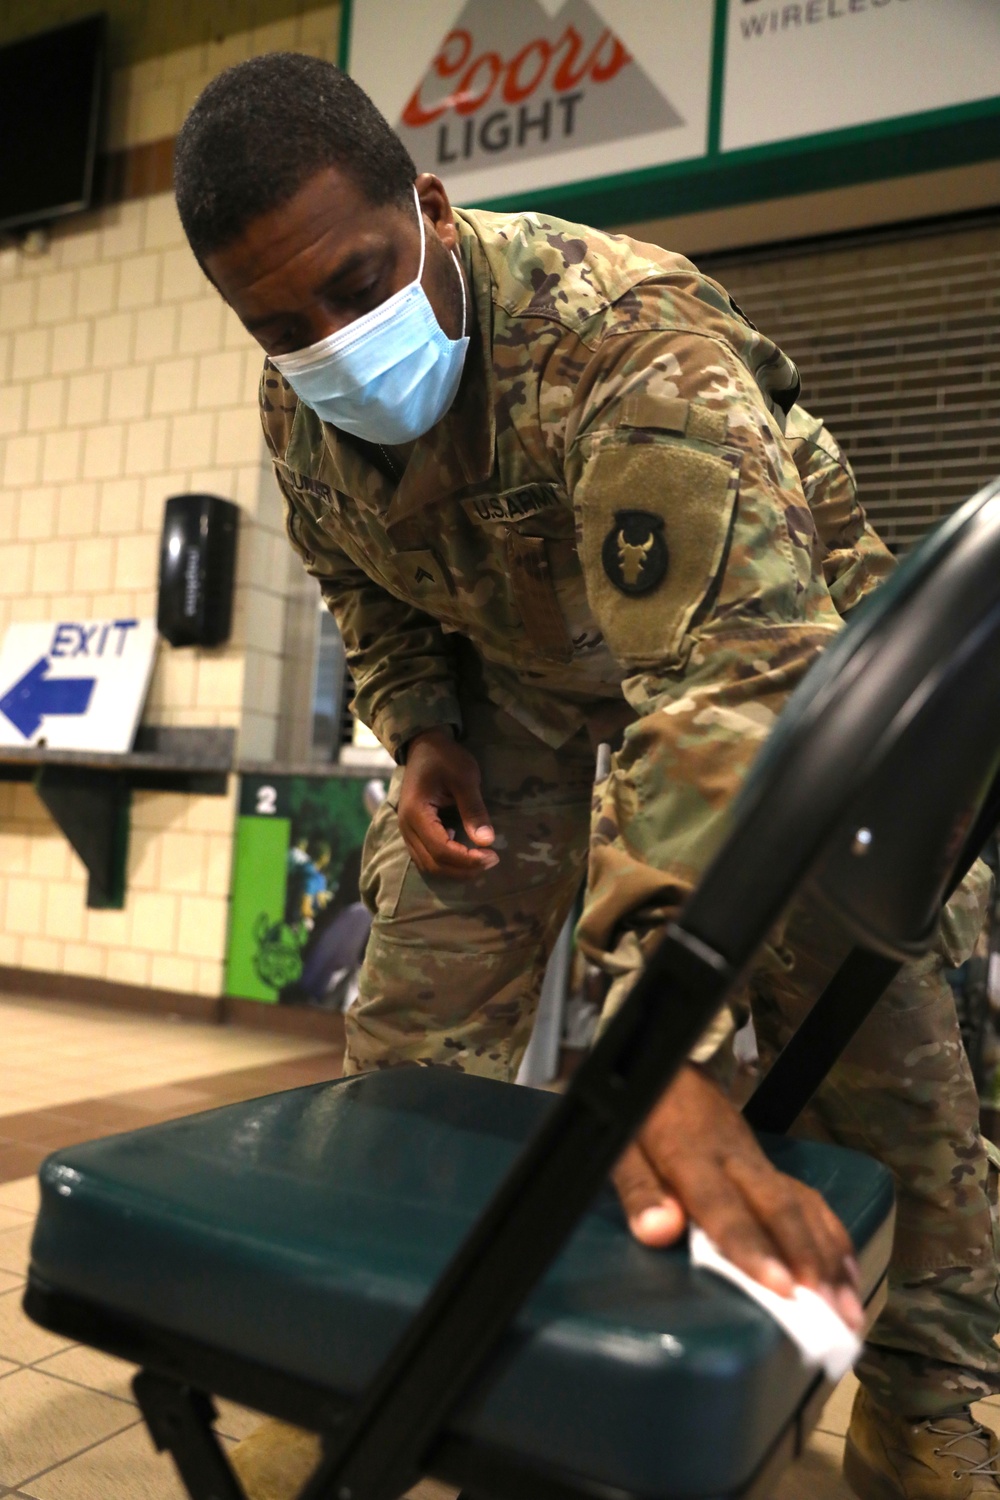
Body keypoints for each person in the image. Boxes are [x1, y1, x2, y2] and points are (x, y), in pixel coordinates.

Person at [173, 53, 1000, 1500]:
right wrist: (424, 723)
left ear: (428, 206)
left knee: (886, 1037)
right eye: (279, 321)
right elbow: (372, 595)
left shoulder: (626, 338)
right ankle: (364, 1345)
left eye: (360, 281)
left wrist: (658, 1049)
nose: (331, 339)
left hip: (787, 671)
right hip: (533, 697)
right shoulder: (300, 408)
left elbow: (729, 679)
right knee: (417, 1004)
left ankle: (922, 1401)